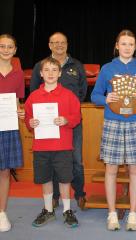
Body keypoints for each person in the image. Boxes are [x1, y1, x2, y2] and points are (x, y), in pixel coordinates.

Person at [91, 29, 136, 231]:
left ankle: (133, 214)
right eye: (123, 44)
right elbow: (95, 95)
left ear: (135, 47)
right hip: (113, 122)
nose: (127, 48)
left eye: (131, 44)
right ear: (117, 45)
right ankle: (112, 213)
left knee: (135, 169)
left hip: (135, 122)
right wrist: (105, 99)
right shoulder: (108, 68)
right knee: (111, 169)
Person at [30, 32, 87, 210]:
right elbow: (33, 93)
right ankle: (54, 197)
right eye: (55, 42)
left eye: (62, 42)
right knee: (51, 160)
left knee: (75, 160)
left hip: (70, 124)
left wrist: (68, 117)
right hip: (46, 126)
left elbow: (82, 92)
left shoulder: (76, 65)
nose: (59, 45)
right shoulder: (41, 65)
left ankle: (79, 194)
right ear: (49, 45)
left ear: (67, 44)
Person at [25, 57, 81, 228]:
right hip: (41, 146)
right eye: (46, 70)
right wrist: (30, 123)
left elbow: (77, 117)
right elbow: (28, 119)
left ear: (60, 73)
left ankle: (67, 210)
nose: (50, 73)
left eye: (54, 70)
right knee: (45, 179)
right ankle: (48, 210)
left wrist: (66, 120)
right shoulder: (33, 96)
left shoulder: (69, 96)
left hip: (62, 146)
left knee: (65, 179)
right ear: (41, 74)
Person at [0, 34, 24, 232]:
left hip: (8, 127)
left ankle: (2, 213)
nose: (6, 50)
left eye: (10, 47)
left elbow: (17, 103)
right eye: (2, 46)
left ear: (15, 50)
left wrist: (20, 112)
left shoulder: (18, 75)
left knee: (5, 172)